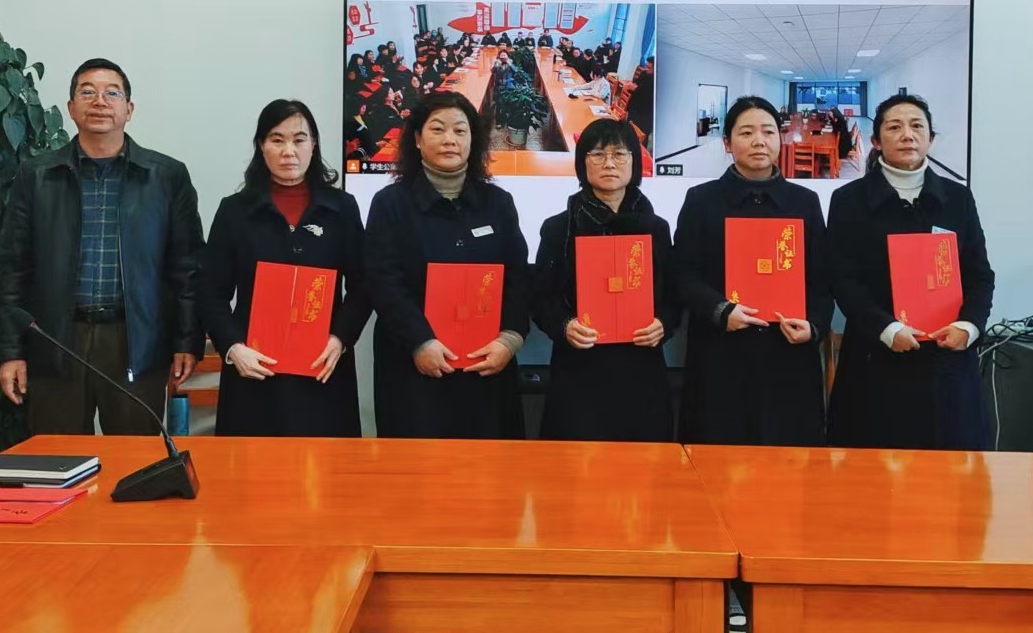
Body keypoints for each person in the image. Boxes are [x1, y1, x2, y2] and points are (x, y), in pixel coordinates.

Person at [0, 58, 204, 435]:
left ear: (129, 109)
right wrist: (11, 352)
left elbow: (186, 268)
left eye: (113, 93)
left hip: (136, 340)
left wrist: (187, 340)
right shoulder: (36, 176)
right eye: (87, 92)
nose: (100, 101)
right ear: (71, 107)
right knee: (58, 458)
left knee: (135, 458)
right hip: (56, 338)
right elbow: (13, 269)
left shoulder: (166, 176)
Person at [826, 94, 995, 450]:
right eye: (894, 127)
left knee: (949, 474)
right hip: (876, 360)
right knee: (871, 473)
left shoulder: (958, 198)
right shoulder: (848, 200)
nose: (907, 135)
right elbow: (843, 279)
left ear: (930, 138)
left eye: (917, 126)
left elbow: (979, 275)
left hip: (947, 362)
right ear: (876, 141)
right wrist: (887, 329)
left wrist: (968, 327)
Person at [197, 100, 371, 436]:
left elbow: (364, 284)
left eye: (299, 139)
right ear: (261, 146)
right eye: (277, 140)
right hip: (254, 368)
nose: (288, 151)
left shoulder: (342, 207)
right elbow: (210, 290)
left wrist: (341, 338)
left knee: (328, 464)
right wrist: (233, 348)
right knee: (254, 465)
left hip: (323, 366)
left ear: (313, 145)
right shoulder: (235, 210)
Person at [365, 91, 530, 438]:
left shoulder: (498, 203)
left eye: (460, 130)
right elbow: (383, 280)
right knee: (417, 465)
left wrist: (510, 339)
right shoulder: (390, 203)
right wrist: (420, 341)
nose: (449, 140)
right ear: (417, 139)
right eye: (437, 129)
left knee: (488, 464)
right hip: (414, 366)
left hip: (487, 362)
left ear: (474, 139)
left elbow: (518, 277)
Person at [674, 95, 832, 446]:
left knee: (789, 465)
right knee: (717, 462)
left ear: (780, 138)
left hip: (787, 357)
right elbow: (683, 273)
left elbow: (821, 280)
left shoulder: (805, 202)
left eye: (768, 132)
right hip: (720, 357)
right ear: (727, 143)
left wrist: (814, 327)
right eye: (746, 133)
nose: (759, 141)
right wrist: (720, 310)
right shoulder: (701, 200)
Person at [533, 120, 677, 441]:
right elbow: (541, 298)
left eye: (619, 154)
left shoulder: (656, 228)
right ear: (582, 163)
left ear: (634, 162)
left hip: (641, 366)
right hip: (579, 369)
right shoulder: (558, 228)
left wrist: (663, 324)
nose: (609, 163)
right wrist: (565, 326)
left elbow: (673, 295)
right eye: (597, 154)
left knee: (645, 464)